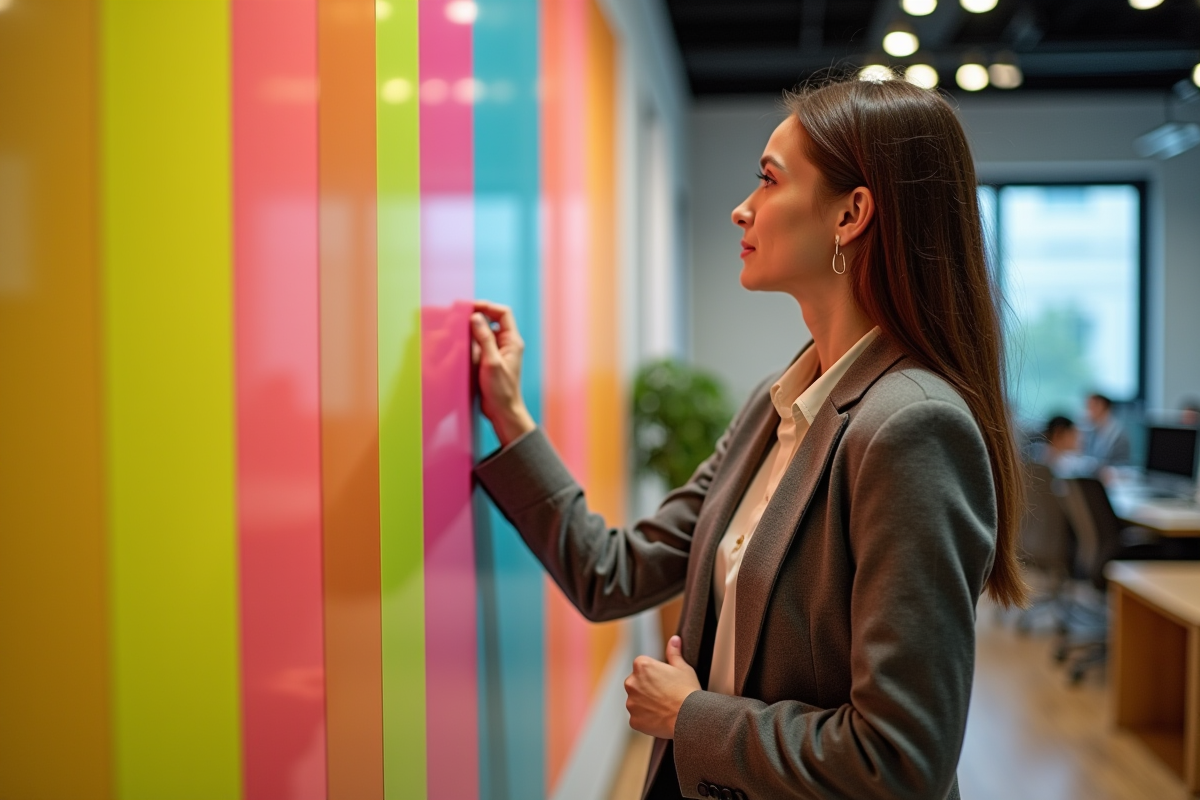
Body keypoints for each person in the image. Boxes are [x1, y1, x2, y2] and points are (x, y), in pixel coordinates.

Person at [470, 76, 1025, 800]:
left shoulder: (912, 426)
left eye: (768, 180)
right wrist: (511, 416)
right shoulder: (777, 408)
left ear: (852, 214)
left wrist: (690, 716)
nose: (741, 208)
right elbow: (613, 573)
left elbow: (900, 762)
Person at [1082, 393, 1132, 466]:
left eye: (1090, 407)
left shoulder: (1119, 435)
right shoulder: (1092, 431)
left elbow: (1122, 464)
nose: (1087, 412)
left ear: (1101, 407)